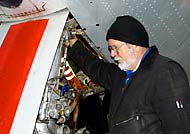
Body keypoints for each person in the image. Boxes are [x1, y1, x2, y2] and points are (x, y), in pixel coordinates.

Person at [67, 15, 190, 134]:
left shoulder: (164, 72)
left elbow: (179, 128)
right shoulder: (121, 76)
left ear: (134, 45)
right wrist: (74, 45)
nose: (112, 54)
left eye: (115, 48)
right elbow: (97, 68)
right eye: (110, 49)